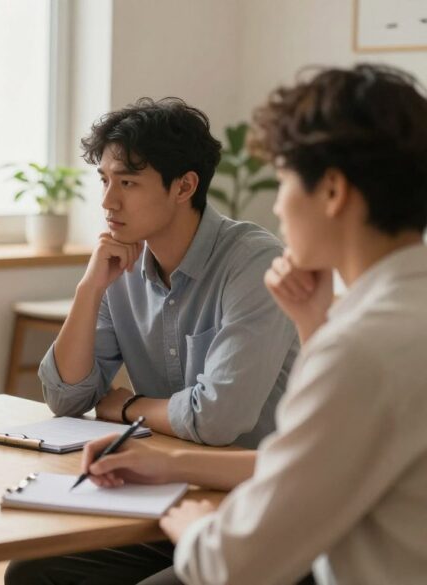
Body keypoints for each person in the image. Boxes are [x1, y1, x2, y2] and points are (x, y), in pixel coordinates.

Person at [48, 63, 427, 585]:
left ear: (333, 192)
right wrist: (176, 465)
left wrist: (195, 524)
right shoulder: (392, 317)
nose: (276, 202)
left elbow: (230, 567)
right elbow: (311, 463)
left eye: (286, 179)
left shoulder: (360, 347)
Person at [5, 98, 300, 584]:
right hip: (164, 491)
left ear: (185, 186)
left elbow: (218, 419)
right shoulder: (119, 265)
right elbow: (67, 396)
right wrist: (89, 289)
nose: (107, 202)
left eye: (128, 183)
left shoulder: (251, 264)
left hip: (257, 507)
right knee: (31, 573)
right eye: (104, 180)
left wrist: (126, 407)